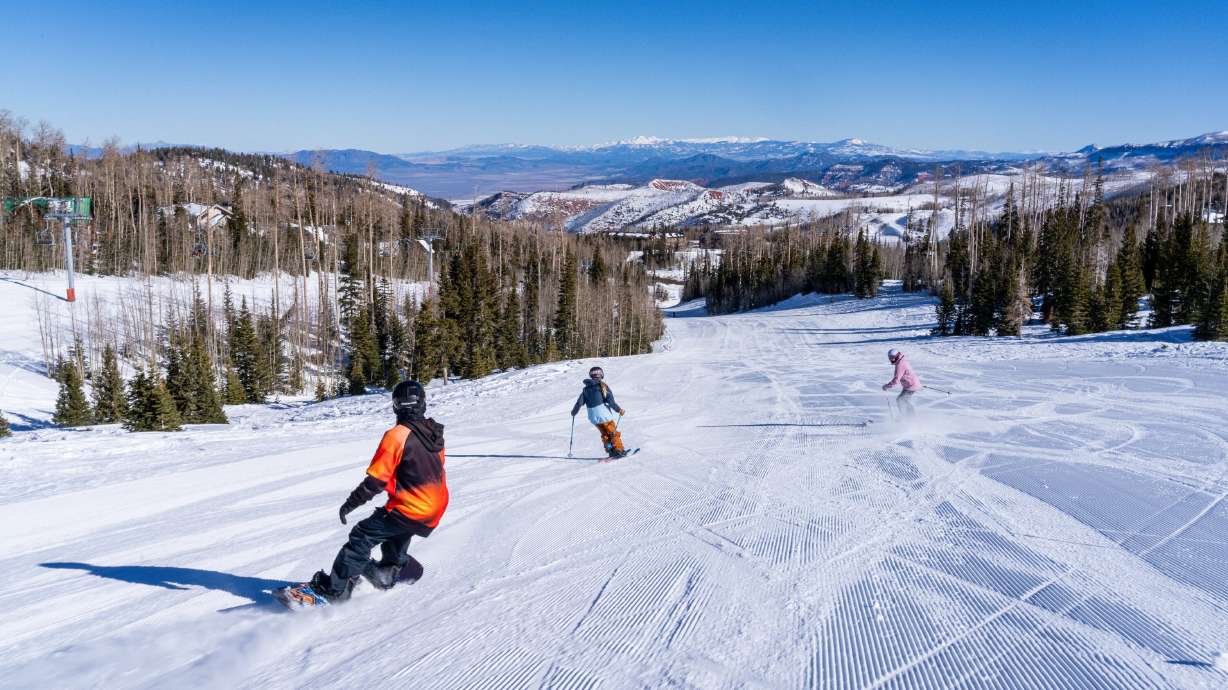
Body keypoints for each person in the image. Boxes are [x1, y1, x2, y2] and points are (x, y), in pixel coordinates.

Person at [308, 380, 447, 601]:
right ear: (422, 403)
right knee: (398, 528)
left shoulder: (397, 436)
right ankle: (389, 570)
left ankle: (336, 591)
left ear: (396, 406)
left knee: (361, 536)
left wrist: (349, 505)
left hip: (411, 507)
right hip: (434, 508)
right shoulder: (434, 433)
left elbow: (376, 481)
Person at [571, 366, 627, 458]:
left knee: (604, 434)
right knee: (612, 432)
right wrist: (619, 410)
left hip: (593, 417)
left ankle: (610, 450)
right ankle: (618, 449)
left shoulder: (585, 390)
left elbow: (579, 403)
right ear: (601, 375)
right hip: (604, 415)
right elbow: (611, 401)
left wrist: (574, 412)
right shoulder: (602, 386)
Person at [882, 348, 921, 416]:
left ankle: (908, 417)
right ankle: (908, 416)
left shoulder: (900, 365)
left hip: (911, 385)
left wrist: (887, 386)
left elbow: (896, 380)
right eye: (889, 357)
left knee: (901, 400)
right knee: (903, 400)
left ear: (897, 356)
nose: (891, 359)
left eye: (892, 357)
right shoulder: (901, 361)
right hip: (909, 385)